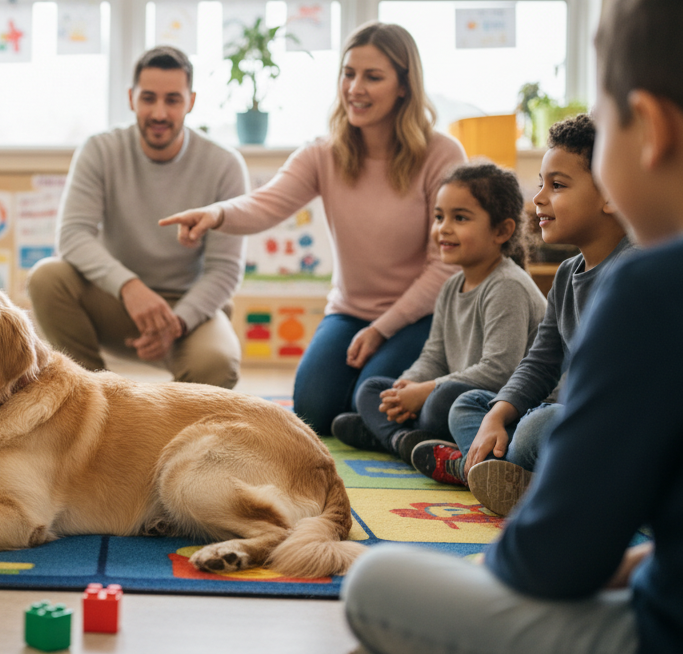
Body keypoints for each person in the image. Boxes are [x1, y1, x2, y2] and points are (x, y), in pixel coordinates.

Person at [343, 0, 683, 654]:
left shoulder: (655, 287)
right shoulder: (599, 280)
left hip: (681, 633)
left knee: (376, 584)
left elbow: (551, 563)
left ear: (653, 131)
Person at [161, 23, 466, 433]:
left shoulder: (441, 154)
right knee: (313, 407)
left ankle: (396, 419)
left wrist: (382, 329)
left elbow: (446, 264)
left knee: (372, 394)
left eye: (373, 77)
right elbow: (265, 203)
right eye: (348, 73)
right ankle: (373, 423)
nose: (355, 87)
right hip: (349, 312)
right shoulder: (324, 153)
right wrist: (216, 214)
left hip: (420, 317)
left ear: (404, 87)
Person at [418, 114, 633, 513]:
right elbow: (540, 362)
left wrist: (539, 418)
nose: (538, 198)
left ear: (612, 195)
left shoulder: (635, 271)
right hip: (567, 424)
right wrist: (499, 413)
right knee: (470, 406)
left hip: (612, 432)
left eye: (557, 185)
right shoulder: (568, 276)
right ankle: (511, 476)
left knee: (537, 426)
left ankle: (494, 471)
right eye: (540, 184)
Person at [28, 45, 248, 389]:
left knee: (216, 366)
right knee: (47, 278)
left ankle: (174, 429)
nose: (159, 112)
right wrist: (129, 286)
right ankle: (92, 395)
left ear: (191, 101)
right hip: (115, 300)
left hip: (187, 311)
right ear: (131, 99)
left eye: (173, 100)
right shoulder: (100, 150)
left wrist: (176, 322)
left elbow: (226, 269)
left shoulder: (225, 165)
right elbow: (72, 235)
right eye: (149, 98)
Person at [330, 162, 545, 465]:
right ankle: (403, 439)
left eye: (460, 218)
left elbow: (500, 370)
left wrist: (425, 391)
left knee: (443, 401)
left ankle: (389, 435)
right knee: (372, 389)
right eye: (439, 217)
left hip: (493, 403)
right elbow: (433, 356)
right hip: (449, 389)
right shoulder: (449, 287)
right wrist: (406, 388)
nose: (444, 228)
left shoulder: (507, 286)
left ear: (501, 230)